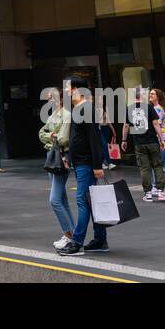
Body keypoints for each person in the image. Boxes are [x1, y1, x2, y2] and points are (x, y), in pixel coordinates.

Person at [59, 85, 110, 256]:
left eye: (68, 90)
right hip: (81, 163)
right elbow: (77, 137)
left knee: (82, 201)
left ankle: (77, 242)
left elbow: (94, 139)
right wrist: (69, 157)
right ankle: (100, 240)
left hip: (87, 164)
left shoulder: (86, 109)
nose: (66, 93)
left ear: (77, 91)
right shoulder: (78, 109)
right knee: (91, 201)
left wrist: (97, 165)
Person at [39, 87, 75, 249]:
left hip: (61, 157)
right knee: (62, 200)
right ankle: (73, 234)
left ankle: (68, 234)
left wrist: (51, 137)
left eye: (52, 98)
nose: (49, 101)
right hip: (52, 155)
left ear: (60, 99)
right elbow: (41, 133)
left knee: (54, 200)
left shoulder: (66, 115)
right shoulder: (54, 114)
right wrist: (52, 136)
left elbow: (63, 139)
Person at [122, 87, 165, 202]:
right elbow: (155, 123)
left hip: (139, 143)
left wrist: (124, 140)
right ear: (142, 96)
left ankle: (148, 193)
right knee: (158, 166)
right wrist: (161, 138)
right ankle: (160, 192)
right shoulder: (148, 107)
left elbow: (126, 126)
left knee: (144, 168)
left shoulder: (129, 109)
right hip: (152, 141)